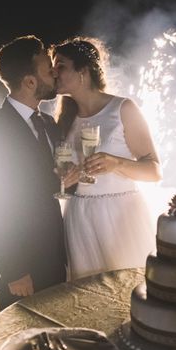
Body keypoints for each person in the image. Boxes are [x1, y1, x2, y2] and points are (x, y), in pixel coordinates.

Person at [0, 35, 72, 311]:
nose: (54, 72)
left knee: (54, 333)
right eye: (47, 68)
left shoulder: (49, 124)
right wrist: (15, 269)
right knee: (21, 342)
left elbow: (50, 183)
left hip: (54, 254)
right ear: (30, 81)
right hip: (21, 261)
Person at [51, 36, 162, 281]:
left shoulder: (123, 109)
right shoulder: (64, 119)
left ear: (83, 70)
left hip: (121, 215)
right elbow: (66, 174)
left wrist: (117, 163)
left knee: (131, 290)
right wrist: (67, 175)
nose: (53, 72)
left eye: (61, 66)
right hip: (79, 216)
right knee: (87, 296)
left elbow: (154, 171)